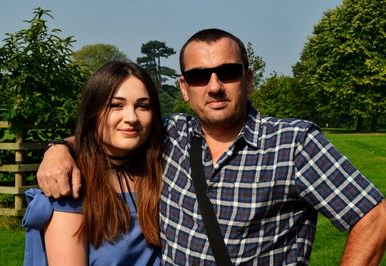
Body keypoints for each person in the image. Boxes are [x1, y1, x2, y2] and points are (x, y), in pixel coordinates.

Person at [36, 29, 386, 265]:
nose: (215, 86)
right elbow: (108, 134)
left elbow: (375, 215)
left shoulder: (293, 143)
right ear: (185, 88)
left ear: (248, 78)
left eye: (228, 72)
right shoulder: (170, 135)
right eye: (200, 77)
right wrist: (58, 149)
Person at [22, 60, 163, 265]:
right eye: (116, 105)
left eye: (143, 106)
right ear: (92, 112)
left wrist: (58, 146)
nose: (131, 117)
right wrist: (57, 148)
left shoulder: (166, 167)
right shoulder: (72, 184)